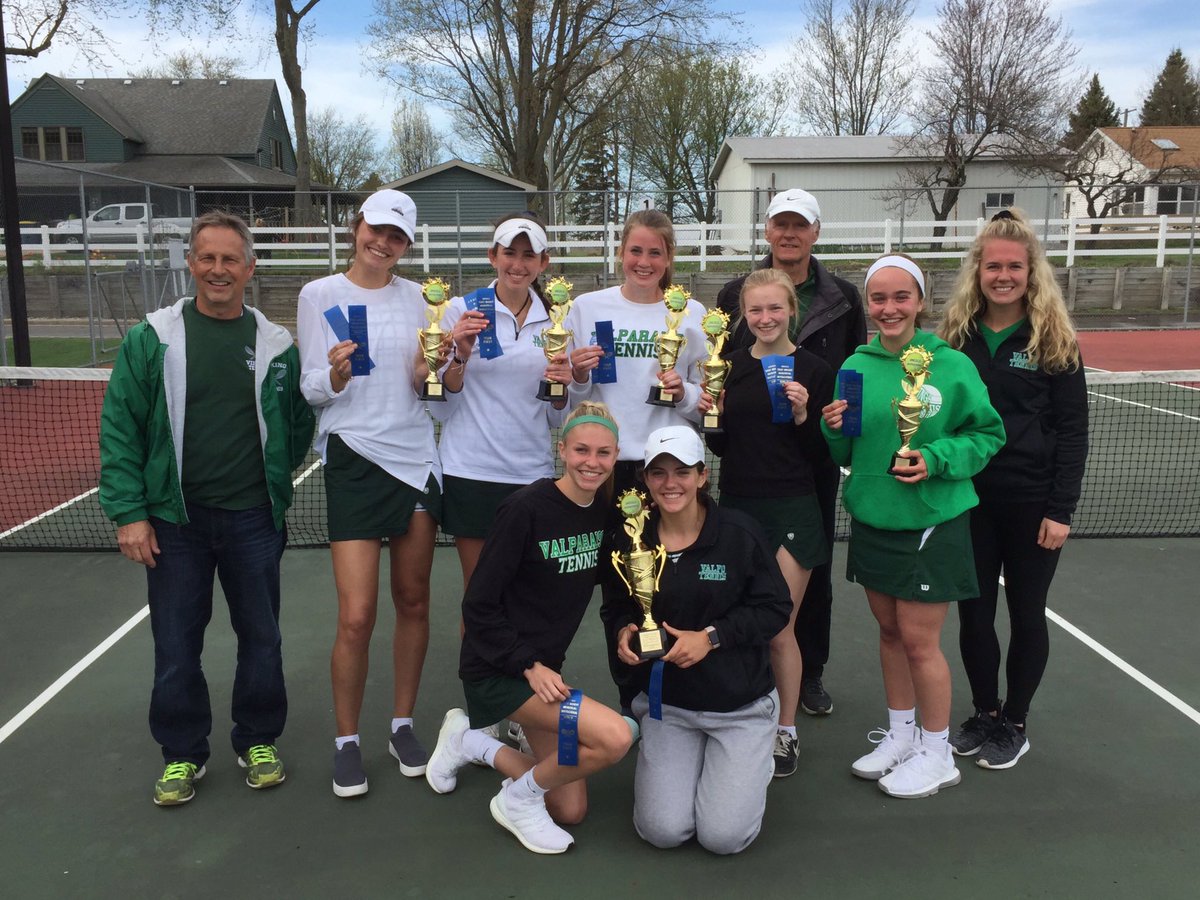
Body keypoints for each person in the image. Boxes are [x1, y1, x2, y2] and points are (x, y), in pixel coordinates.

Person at [99, 211, 314, 807]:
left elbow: (295, 425)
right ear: (191, 264)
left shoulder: (277, 346)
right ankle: (182, 753)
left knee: (262, 639)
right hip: (175, 523)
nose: (219, 270)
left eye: (230, 260)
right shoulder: (151, 338)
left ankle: (258, 739)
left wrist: (273, 484)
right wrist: (129, 513)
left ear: (250, 268)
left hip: (253, 520)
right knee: (175, 645)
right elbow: (121, 428)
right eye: (208, 258)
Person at [821, 254, 1005, 799]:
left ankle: (937, 752)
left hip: (931, 521)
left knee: (921, 643)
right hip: (873, 516)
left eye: (901, 296)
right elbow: (846, 450)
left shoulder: (951, 365)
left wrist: (935, 458)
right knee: (890, 632)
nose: (889, 308)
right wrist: (833, 429)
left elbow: (987, 434)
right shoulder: (855, 366)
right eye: (878, 298)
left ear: (920, 301)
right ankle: (902, 736)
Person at [423, 403, 633, 855]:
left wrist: (628, 625)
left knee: (569, 808)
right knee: (615, 737)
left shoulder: (604, 513)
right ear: (562, 450)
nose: (591, 462)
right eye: (581, 450)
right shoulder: (524, 509)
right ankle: (515, 802)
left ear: (616, 456)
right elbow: (477, 605)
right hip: (499, 670)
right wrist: (528, 665)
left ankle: (469, 742)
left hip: (544, 677)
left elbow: (614, 584)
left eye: (603, 452)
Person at [297, 189, 443, 798]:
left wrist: (443, 363)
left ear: (406, 245)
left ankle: (402, 725)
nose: (383, 243)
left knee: (414, 601)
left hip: (415, 460)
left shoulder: (424, 300)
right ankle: (347, 741)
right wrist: (334, 375)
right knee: (356, 615)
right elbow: (310, 387)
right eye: (376, 230)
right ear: (357, 227)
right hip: (353, 459)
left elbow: (428, 381)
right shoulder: (318, 294)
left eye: (396, 237)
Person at [940, 209, 1088, 770]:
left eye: (1014, 267)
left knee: (1027, 613)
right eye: (993, 266)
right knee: (974, 615)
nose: (1003, 276)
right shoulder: (955, 338)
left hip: (1033, 503)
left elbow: (1073, 431)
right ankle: (985, 713)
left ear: (1031, 272)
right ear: (977, 271)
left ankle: (1015, 723)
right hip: (968, 501)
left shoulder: (1055, 339)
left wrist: (1060, 509)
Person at [717, 187, 867, 717]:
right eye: (780, 224)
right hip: (746, 472)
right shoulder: (733, 294)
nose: (788, 233)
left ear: (815, 232)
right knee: (742, 591)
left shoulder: (843, 296)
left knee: (809, 579)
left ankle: (809, 675)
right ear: (767, 230)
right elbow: (719, 392)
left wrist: (835, 422)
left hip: (808, 470)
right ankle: (747, 683)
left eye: (799, 225)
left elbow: (855, 369)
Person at [609, 426, 790, 854]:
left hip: (740, 707)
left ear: (702, 476)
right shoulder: (631, 536)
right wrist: (623, 631)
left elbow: (775, 608)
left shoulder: (739, 533)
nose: (670, 483)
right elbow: (616, 605)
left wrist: (711, 637)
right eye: (658, 473)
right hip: (669, 707)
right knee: (662, 831)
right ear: (645, 479)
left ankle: (753, 760)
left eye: (682, 472)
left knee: (722, 837)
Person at [565, 209, 708, 715]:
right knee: (618, 590)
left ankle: (676, 694)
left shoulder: (691, 313)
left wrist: (684, 392)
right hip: (604, 471)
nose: (643, 261)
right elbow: (570, 398)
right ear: (620, 252)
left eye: (655, 252)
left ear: (669, 259)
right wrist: (576, 374)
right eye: (635, 250)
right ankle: (632, 698)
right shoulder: (585, 308)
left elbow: (708, 400)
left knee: (671, 583)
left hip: (668, 472)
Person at [701, 268, 834, 778]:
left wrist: (803, 417)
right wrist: (712, 414)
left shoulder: (815, 370)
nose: (765, 318)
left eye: (774, 308)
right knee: (736, 623)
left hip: (793, 508)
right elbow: (720, 446)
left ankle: (785, 731)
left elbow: (823, 454)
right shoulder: (728, 366)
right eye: (755, 309)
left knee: (779, 629)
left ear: (791, 311)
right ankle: (738, 717)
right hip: (737, 508)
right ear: (743, 314)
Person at [436, 212, 570, 591]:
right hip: (470, 472)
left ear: (543, 263)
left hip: (532, 474)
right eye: (510, 253)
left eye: (529, 255)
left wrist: (563, 387)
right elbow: (442, 404)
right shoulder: (460, 310)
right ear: (492, 256)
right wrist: (461, 354)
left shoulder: (558, 321)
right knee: (480, 594)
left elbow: (556, 415)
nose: (518, 264)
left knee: (526, 595)